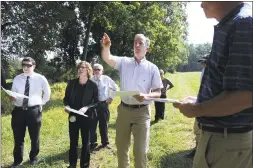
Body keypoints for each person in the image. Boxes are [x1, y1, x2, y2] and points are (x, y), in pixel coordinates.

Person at [173, 2, 252, 168]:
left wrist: (197, 109)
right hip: (224, 141)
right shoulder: (233, 23)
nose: (201, 4)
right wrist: (200, 100)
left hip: (228, 143)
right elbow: (229, 87)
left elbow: (245, 96)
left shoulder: (242, 24)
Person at [101, 32, 163, 168]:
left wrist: (146, 96)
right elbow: (108, 58)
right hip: (124, 111)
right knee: (122, 149)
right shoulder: (124, 62)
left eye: (140, 43)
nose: (137, 45)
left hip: (142, 113)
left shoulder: (152, 68)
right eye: (135, 42)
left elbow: (158, 92)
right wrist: (106, 47)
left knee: (140, 152)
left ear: (147, 48)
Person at [9, 57, 51, 167]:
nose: (26, 67)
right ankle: (17, 160)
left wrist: (40, 103)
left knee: (34, 136)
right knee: (18, 137)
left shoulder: (40, 78)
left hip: (33, 111)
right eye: (24, 65)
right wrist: (12, 97)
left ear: (34, 66)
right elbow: (13, 93)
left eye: (28, 65)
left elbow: (47, 93)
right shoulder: (17, 78)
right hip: (18, 111)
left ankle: (33, 157)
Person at [63, 61, 98, 168]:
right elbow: (66, 99)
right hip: (73, 116)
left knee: (86, 142)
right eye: (78, 67)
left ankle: (85, 165)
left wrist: (86, 107)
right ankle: (72, 164)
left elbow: (96, 102)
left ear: (88, 70)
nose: (80, 69)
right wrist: (67, 106)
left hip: (87, 117)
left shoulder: (93, 85)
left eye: (82, 67)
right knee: (73, 141)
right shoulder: (71, 83)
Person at [90, 63, 118, 150]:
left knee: (104, 124)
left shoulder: (106, 79)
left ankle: (105, 143)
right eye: (95, 69)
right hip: (93, 106)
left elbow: (116, 88)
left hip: (103, 105)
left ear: (102, 71)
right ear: (93, 71)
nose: (97, 71)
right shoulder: (90, 80)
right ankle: (93, 143)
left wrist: (111, 97)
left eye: (99, 69)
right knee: (92, 125)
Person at [185, 56, 208, 158]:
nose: (202, 64)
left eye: (204, 62)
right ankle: (197, 149)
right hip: (201, 102)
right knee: (197, 128)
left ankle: (201, 151)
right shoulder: (203, 71)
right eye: (202, 62)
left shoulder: (215, 73)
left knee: (204, 129)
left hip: (208, 105)